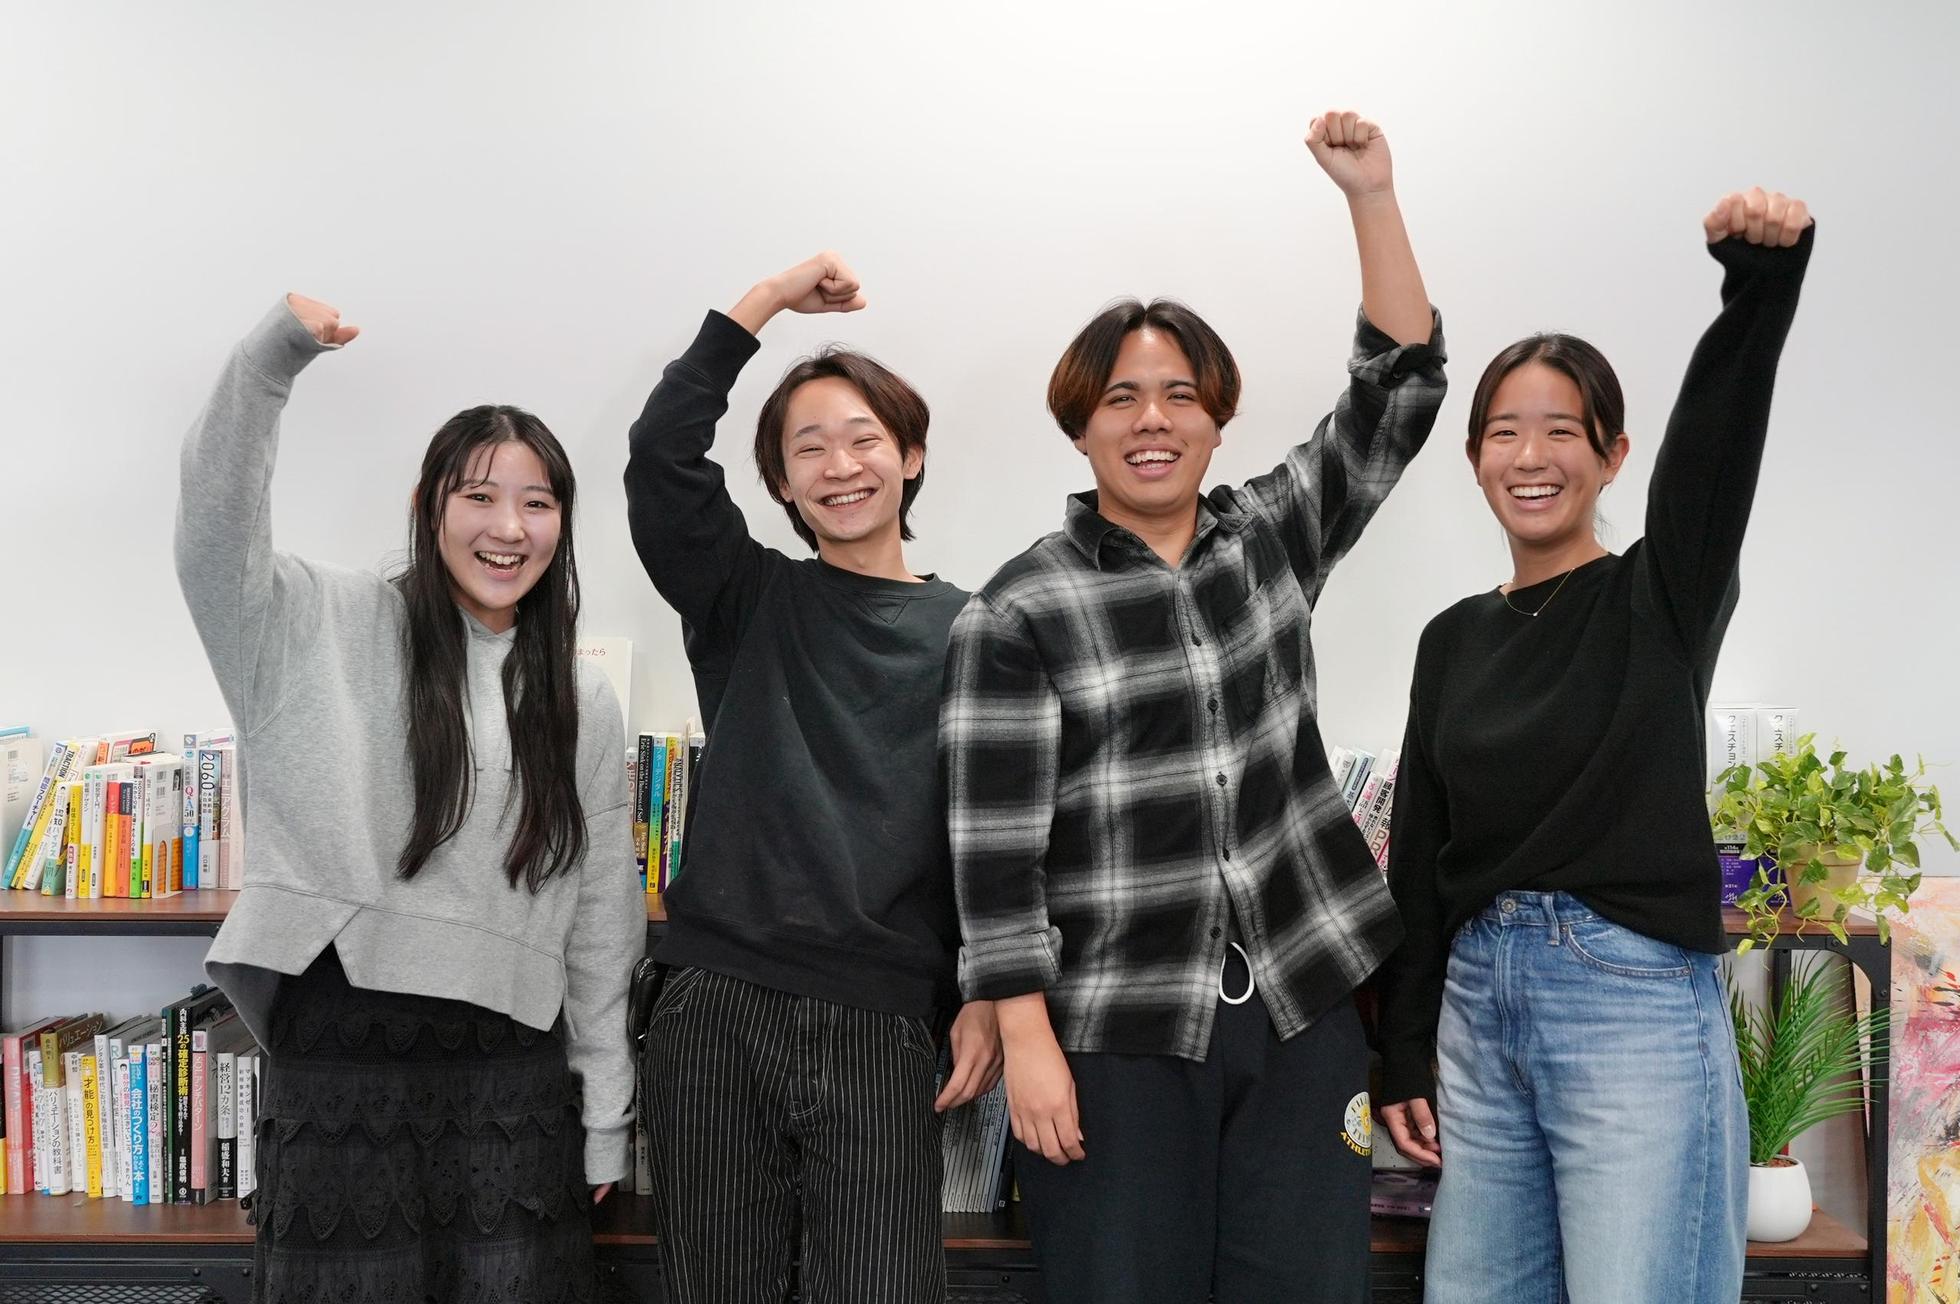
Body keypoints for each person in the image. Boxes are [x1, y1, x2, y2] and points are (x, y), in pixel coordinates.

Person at [939, 111, 1445, 1304]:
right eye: (1121, 397)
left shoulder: (1269, 536)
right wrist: (1028, 1043)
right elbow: (995, 862)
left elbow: (1397, 391)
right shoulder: (1018, 609)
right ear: (1080, 424)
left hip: (1299, 1007)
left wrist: (1370, 196)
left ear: (1218, 416)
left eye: (1178, 395)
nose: (1152, 419)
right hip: (1113, 1032)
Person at [1374, 189, 1815, 1303]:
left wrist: (1756, 289)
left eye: (1562, 430)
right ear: (1474, 456)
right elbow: (1421, 853)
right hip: (1480, 1006)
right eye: (1504, 432)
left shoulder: (1657, 599)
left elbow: (1715, 454)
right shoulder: (1450, 639)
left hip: (1629, 1003)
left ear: (1613, 455)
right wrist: (1403, 1047)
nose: (1531, 455)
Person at [176, 294, 643, 1303]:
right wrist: (271, 358)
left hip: (513, 1071)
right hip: (342, 1052)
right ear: (431, 504)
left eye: (538, 503)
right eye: (479, 496)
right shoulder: (319, 623)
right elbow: (211, 538)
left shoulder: (580, 693)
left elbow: (602, 913)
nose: (509, 528)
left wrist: (605, 1108)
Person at [624, 253, 1002, 1304]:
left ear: (911, 456)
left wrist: (987, 990)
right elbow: (660, 454)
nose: (841, 465)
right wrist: (764, 305)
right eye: (809, 448)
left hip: (882, 1020)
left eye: (864, 438)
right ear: (783, 484)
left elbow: (1000, 832)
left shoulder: (980, 629)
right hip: (714, 1006)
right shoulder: (744, 598)